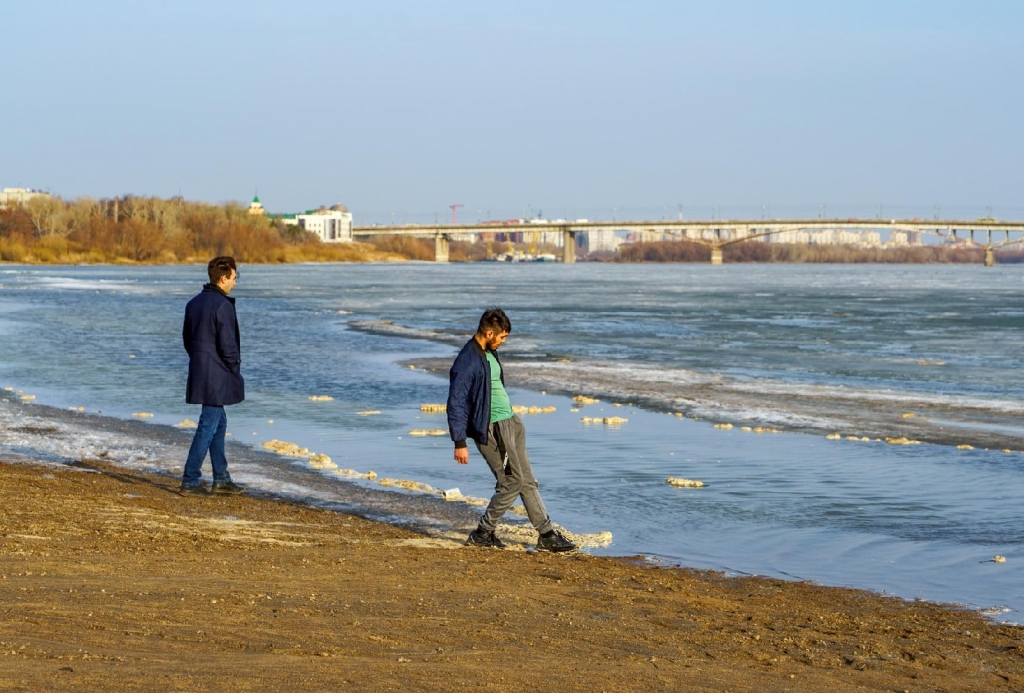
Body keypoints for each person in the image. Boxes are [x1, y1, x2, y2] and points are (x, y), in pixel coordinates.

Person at [447, 308, 576, 552]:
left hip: (510, 424)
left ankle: (547, 535)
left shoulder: (489, 352)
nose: (503, 342)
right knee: (511, 482)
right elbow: (456, 402)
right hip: (494, 430)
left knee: (527, 481)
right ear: (488, 332)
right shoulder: (467, 361)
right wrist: (459, 441)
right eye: (502, 337)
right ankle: (482, 532)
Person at [179, 256, 246, 496]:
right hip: (217, 374)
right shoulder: (222, 305)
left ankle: (221, 477)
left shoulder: (193, 303)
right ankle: (190, 479)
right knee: (207, 425)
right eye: (234, 278)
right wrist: (234, 369)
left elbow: (188, 341)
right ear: (223, 278)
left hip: (201, 370)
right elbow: (229, 346)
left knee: (219, 422)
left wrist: (201, 361)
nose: (235, 283)